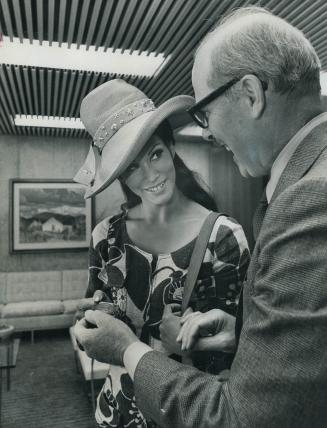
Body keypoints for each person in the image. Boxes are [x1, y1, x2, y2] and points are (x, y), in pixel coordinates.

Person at [75, 6, 327, 427]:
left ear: (251, 94)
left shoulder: (304, 202)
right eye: (129, 168)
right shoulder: (108, 235)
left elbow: (242, 415)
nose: (207, 132)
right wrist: (240, 331)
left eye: (204, 113)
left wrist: (126, 349)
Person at [74, 79, 250, 427]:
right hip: (118, 410)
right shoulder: (106, 237)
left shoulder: (223, 237)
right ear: (120, 175)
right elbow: (93, 322)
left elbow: (249, 352)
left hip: (187, 412)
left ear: (171, 147)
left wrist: (190, 345)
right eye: (132, 167)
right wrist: (96, 318)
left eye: (155, 154)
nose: (150, 175)